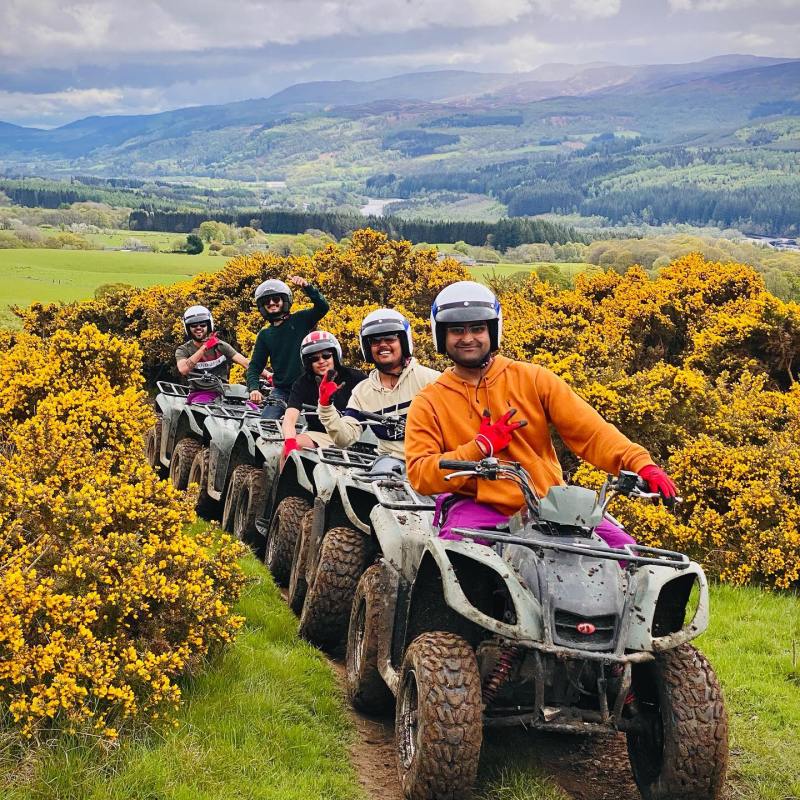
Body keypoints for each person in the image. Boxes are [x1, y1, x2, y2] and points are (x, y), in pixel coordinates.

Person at [405, 281, 677, 543]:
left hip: (549, 503)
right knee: (456, 560)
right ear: (441, 336)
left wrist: (641, 464)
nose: (468, 338)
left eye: (477, 328)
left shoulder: (533, 379)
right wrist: (478, 448)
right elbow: (420, 473)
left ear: (492, 331)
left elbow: (592, 432)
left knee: (625, 555)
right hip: (477, 506)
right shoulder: (429, 401)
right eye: (456, 331)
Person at [317, 308, 440, 462]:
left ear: (403, 341)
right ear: (367, 348)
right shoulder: (363, 392)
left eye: (390, 338)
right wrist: (326, 406)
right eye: (375, 341)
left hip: (432, 460)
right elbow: (344, 439)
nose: (383, 345)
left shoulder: (430, 380)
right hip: (391, 464)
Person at [247, 276, 329, 419]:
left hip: (310, 387)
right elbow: (254, 367)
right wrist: (254, 389)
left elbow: (323, 307)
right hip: (282, 391)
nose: (272, 303)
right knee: (266, 422)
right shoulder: (265, 335)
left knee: (317, 424)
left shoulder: (301, 319)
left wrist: (307, 287)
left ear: (285, 300)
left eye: (276, 299)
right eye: (267, 301)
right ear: (262, 306)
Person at [281, 331, 367, 457]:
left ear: (335, 356)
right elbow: (290, 418)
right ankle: (282, 476)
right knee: (292, 446)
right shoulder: (302, 383)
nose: (321, 361)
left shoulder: (356, 377)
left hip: (360, 438)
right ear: (307, 362)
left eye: (326, 355)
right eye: (314, 358)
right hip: (322, 436)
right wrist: (289, 443)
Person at [175, 305, 251, 382]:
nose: (198, 328)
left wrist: (263, 375)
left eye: (203, 325)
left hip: (223, 389)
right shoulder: (183, 350)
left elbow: (246, 363)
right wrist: (204, 348)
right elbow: (183, 369)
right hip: (199, 390)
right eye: (194, 325)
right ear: (188, 328)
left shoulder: (219, 346)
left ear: (209, 326)